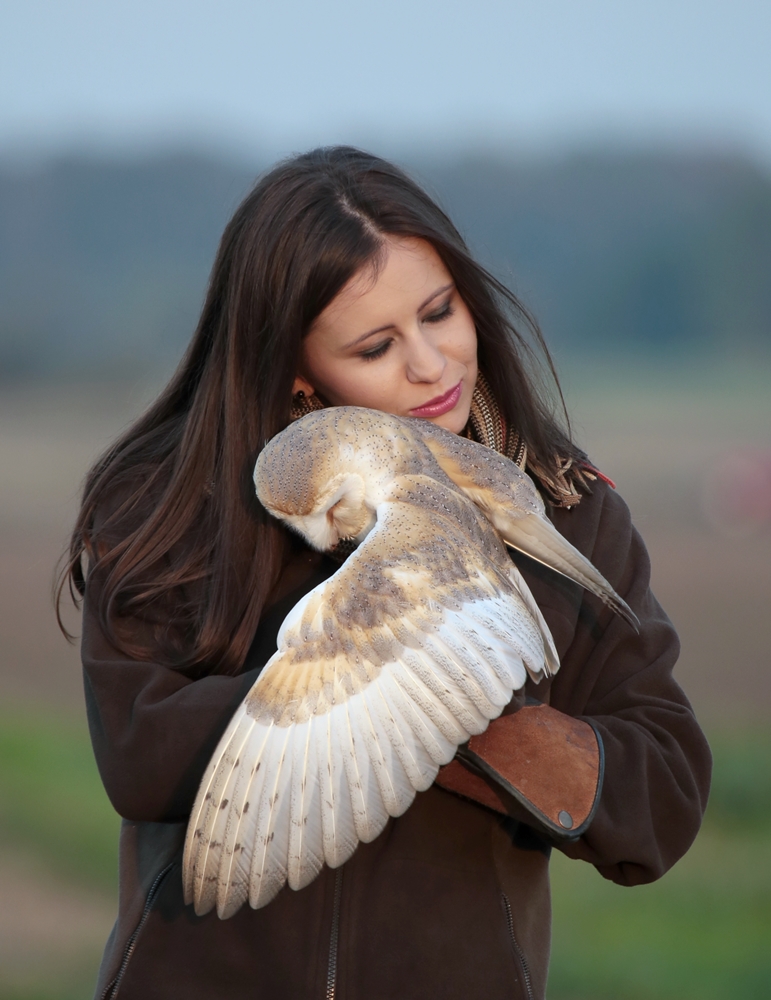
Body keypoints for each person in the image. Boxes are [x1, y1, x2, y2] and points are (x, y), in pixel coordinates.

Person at [59, 146, 711, 1000]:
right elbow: (141, 753)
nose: (430, 364)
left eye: (440, 312)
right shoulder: (175, 505)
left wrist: (464, 715)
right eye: (375, 346)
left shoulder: (562, 511)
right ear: (294, 367)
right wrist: (370, 681)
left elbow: (660, 797)